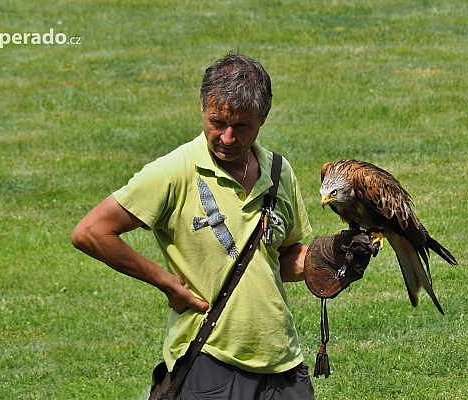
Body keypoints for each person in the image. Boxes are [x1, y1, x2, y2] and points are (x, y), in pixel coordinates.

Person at [72, 53, 375, 399]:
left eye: (242, 126)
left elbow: (279, 257)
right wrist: (166, 283)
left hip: (282, 359)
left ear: (264, 116)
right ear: (202, 106)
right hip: (210, 358)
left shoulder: (278, 171)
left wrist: (332, 259)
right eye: (217, 122)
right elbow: (91, 232)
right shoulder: (175, 171)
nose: (227, 137)